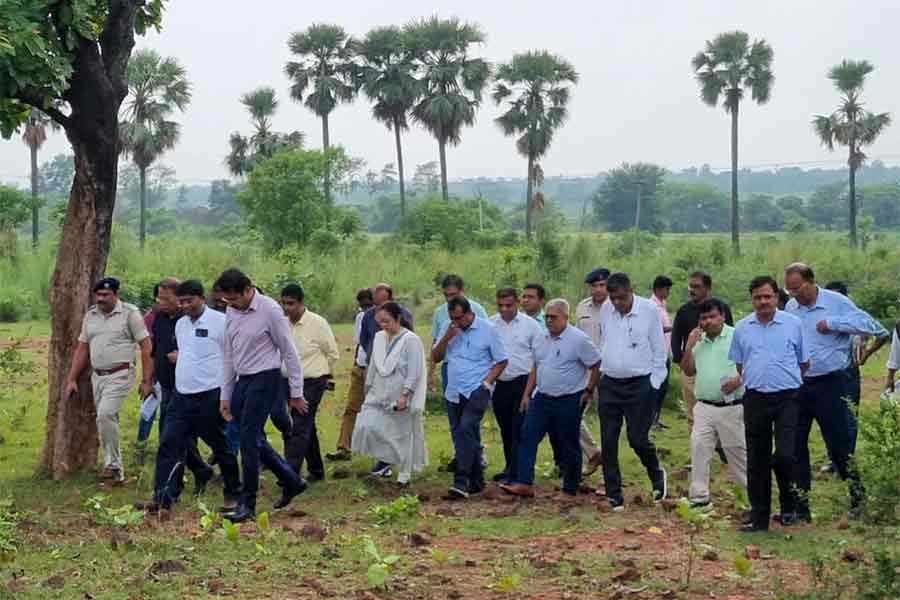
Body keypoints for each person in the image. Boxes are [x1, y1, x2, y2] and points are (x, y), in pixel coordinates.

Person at [784, 263, 886, 520]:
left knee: (840, 445)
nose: (794, 294)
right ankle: (801, 507)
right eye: (791, 289)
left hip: (831, 384)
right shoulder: (790, 308)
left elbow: (873, 327)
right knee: (796, 446)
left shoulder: (836, 302)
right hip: (799, 385)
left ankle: (858, 500)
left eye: (798, 288)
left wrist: (833, 323)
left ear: (811, 281)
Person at [136, 280, 242, 513]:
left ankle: (234, 495)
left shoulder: (221, 322)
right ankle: (162, 497)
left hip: (210, 394)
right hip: (181, 395)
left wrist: (227, 394)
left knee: (220, 445)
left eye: (190, 301)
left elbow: (231, 358)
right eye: (182, 302)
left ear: (201, 298)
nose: (186, 306)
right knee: (168, 444)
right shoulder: (181, 324)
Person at [216, 268, 307, 522]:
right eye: (227, 301)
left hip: (266, 378)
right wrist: (226, 394)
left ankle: (248, 503)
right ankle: (292, 480)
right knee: (252, 437)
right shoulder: (232, 312)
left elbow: (289, 351)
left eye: (234, 298)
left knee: (247, 440)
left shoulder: (270, 310)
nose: (230, 304)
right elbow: (229, 355)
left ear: (248, 290)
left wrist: (296, 392)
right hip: (242, 380)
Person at [729, 275, 808, 532]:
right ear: (751, 299)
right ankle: (760, 518)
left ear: (777, 297)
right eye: (758, 297)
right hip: (755, 398)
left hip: (788, 398)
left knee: (785, 455)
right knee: (757, 460)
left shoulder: (793, 324)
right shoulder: (742, 328)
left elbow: (803, 362)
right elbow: (740, 364)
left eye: (768, 296)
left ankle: (788, 506)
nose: (763, 301)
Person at [501, 299, 602, 497]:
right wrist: (527, 394)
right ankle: (524, 482)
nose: (549, 320)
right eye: (547, 317)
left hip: (570, 398)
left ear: (565, 317)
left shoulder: (578, 339)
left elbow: (597, 364)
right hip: (542, 398)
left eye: (553, 317)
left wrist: (589, 390)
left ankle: (570, 487)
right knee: (527, 436)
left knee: (569, 442)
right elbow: (536, 367)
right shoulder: (541, 337)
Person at [64, 277, 152, 483]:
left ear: (116, 294)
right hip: (98, 375)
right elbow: (82, 348)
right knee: (107, 418)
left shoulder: (130, 313)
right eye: (99, 295)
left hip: (121, 373)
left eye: (106, 295)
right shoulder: (90, 315)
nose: (101, 299)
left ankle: (111, 464)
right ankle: (117, 474)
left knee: (105, 415)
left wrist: (147, 380)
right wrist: (71, 379)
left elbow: (146, 347)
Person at [595, 272, 668, 510]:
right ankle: (614, 493)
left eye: (622, 298)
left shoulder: (649, 311)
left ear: (631, 290)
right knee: (608, 440)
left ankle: (656, 474)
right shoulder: (606, 309)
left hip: (640, 385)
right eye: (613, 298)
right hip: (610, 384)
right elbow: (605, 340)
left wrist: (654, 384)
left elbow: (659, 351)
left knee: (637, 439)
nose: (617, 303)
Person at [432, 296, 508, 500]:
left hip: (477, 389)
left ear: (469, 313)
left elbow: (502, 361)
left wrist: (486, 384)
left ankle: (461, 480)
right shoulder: (450, 328)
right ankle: (477, 481)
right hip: (454, 389)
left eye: (460, 318)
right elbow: (436, 357)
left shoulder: (488, 330)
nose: (457, 322)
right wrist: (448, 336)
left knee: (466, 427)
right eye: (453, 318)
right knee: (465, 433)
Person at [147, 277, 213, 496]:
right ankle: (194, 473)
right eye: (159, 297)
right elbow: (155, 350)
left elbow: (206, 353)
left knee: (180, 437)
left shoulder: (191, 320)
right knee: (171, 437)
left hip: (190, 389)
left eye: (165, 298)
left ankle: (173, 487)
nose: (160, 302)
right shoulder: (160, 318)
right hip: (167, 386)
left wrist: (183, 357)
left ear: (180, 298)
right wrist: (150, 379)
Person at [680, 298, 747, 508]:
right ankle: (699, 497)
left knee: (736, 453)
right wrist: (689, 345)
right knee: (699, 448)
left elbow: (752, 364)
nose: (707, 321)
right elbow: (688, 370)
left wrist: (737, 380)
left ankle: (751, 498)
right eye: (703, 318)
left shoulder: (736, 336)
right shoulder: (698, 340)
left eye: (712, 316)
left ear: (722, 317)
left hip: (731, 406)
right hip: (704, 406)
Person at [352, 302, 428, 486]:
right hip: (378, 391)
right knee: (367, 426)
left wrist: (405, 395)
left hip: (400, 393)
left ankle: (404, 473)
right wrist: (368, 388)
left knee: (403, 433)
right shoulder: (379, 337)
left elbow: (414, 371)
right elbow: (373, 366)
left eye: (386, 321)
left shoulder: (411, 340)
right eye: (380, 322)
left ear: (398, 319)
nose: (383, 326)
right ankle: (386, 460)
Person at [823, 280, 888, 465]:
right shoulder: (824, 320)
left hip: (849, 373)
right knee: (829, 418)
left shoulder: (855, 318)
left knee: (849, 417)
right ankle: (834, 459)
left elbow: (882, 334)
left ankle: (846, 460)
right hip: (827, 376)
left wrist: (866, 354)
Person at [280, 283, 339, 482]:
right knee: (305, 425)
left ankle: (289, 474)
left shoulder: (317, 323)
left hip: (313, 381)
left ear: (301, 303)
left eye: (291, 304)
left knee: (299, 426)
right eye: (284, 304)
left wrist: (325, 377)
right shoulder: (281, 323)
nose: (287, 308)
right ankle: (316, 470)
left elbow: (332, 353)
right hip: (287, 381)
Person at [489, 288, 542, 483]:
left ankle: (518, 472)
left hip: (523, 382)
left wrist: (531, 389)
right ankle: (510, 467)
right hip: (500, 383)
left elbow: (538, 358)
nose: (504, 309)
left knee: (520, 428)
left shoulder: (531, 326)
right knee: (505, 428)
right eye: (500, 305)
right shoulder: (491, 324)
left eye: (509, 305)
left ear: (517, 303)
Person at [671, 272, 734, 424]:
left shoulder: (721, 308)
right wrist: (682, 361)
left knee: (726, 413)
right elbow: (676, 338)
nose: (692, 290)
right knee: (693, 416)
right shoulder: (684, 311)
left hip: (720, 368)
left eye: (697, 287)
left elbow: (731, 337)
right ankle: (698, 446)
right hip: (692, 368)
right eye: (690, 286)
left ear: (708, 288)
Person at [328, 288, 375, 461]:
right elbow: (360, 344)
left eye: (368, 305)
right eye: (362, 306)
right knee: (351, 408)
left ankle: (378, 453)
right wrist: (356, 365)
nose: (365, 309)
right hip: (360, 368)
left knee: (377, 410)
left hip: (377, 371)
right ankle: (344, 448)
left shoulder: (380, 317)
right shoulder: (361, 318)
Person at [572, 268, 609, 477]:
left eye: (602, 285)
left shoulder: (616, 308)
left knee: (607, 420)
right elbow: (577, 337)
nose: (598, 289)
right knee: (572, 414)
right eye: (594, 285)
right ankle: (593, 453)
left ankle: (610, 469)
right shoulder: (582, 307)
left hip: (609, 371)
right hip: (585, 370)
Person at [359, 282, 414, 362]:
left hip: (398, 361)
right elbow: (364, 339)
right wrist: (372, 351)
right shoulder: (368, 315)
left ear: (390, 299)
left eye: (383, 302)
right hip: (374, 360)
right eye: (377, 300)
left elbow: (409, 337)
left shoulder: (404, 313)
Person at [650, 275, 674, 428]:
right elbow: (653, 329)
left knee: (663, 388)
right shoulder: (651, 306)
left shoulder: (662, 305)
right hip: (656, 355)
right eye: (667, 289)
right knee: (656, 388)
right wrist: (673, 328)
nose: (668, 292)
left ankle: (656, 418)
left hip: (666, 352)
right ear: (659, 289)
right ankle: (651, 419)